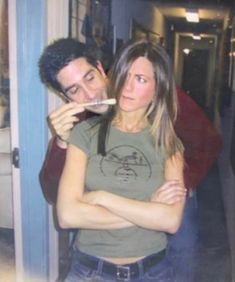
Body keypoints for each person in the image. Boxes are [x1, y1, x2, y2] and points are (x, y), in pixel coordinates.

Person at [38, 37, 223, 282]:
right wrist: (61, 142)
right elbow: (55, 197)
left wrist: (179, 184)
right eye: (74, 90)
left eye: (90, 77)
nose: (89, 94)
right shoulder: (80, 123)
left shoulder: (150, 89)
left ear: (102, 69)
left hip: (168, 188)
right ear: (65, 96)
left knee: (181, 259)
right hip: (113, 233)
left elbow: (209, 142)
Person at [57, 38, 186, 281]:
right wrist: (149, 206)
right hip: (89, 271)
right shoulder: (85, 132)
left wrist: (100, 198)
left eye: (140, 79)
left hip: (152, 272)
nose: (127, 87)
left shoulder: (169, 143)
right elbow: (67, 216)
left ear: (158, 88)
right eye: (125, 75)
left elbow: (170, 221)